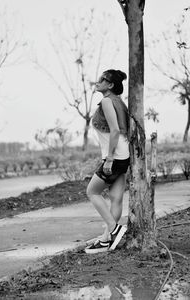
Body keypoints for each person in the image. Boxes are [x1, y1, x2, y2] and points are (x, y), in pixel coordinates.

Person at [85, 69, 130, 254]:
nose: (97, 82)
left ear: (110, 85)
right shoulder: (120, 102)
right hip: (124, 155)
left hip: (115, 156)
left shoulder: (106, 101)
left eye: (101, 80)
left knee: (92, 191)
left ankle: (114, 228)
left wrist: (109, 158)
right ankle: (106, 240)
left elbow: (114, 131)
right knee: (115, 198)